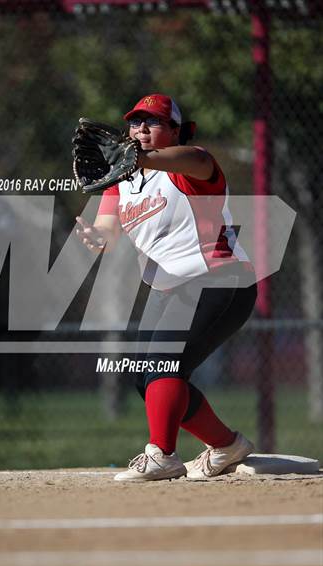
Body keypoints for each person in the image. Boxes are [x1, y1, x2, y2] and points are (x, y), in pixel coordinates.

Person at [76, 94, 257, 482]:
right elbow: (109, 231)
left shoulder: (186, 164)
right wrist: (96, 236)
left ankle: (162, 454)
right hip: (167, 288)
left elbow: (200, 161)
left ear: (175, 130)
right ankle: (227, 446)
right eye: (135, 122)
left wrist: (140, 159)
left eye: (153, 122)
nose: (141, 129)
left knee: (164, 363)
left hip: (218, 278)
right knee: (148, 377)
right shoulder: (120, 183)